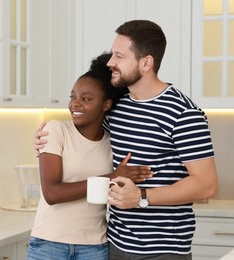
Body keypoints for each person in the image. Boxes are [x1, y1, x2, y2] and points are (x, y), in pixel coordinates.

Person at [33, 20, 218, 260]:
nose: (111, 63)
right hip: (114, 245)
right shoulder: (116, 109)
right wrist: (44, 138)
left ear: (146, 62)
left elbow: (207, 185)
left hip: (163, 251)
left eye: (119, 56)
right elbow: (82, 134)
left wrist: (141, 197)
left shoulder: (183, 114)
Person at [26, 52, 152, 260]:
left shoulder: (113, 142)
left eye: (86, 99)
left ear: (106, 105)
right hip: (49, 244)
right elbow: (52, 193)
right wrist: (111, 176)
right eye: (73, 97)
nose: (75, 104)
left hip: (94, 247)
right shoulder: (56, 130)